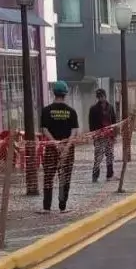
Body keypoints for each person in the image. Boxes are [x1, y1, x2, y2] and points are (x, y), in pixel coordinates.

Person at [39, 81, 79, 213]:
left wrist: (55, 143)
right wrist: (66, 146)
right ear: (65, 94)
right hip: (67, 150)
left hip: (51, 148)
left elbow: (44, 130)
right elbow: (74, 131)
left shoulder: (46, 111)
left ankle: (46, 207)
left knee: (49, 176)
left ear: (53, 93)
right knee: (64, 177)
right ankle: (62, 206)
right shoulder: (71, 112)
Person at [88, 88, 118, 182]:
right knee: (98, 156)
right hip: (99, 136)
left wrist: (114, 135)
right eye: (99, 97)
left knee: (110, 155)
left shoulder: (110, 107)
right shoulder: (93, 109)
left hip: (109, 135)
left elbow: (114, 121)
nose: (101, 98)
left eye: (102, 96)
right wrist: (94, 135)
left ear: (105, 96)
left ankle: (110, 175)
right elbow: (91, 124)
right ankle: (95, 176)